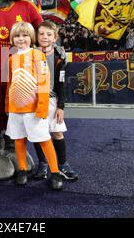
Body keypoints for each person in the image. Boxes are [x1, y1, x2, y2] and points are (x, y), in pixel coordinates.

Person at [5, 22, 63, 190]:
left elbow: (44, 83)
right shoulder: (11, 59)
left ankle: (55, 172)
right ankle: (22, 170)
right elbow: (9, 83)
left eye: (24, 36)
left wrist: (42, 107)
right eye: (17, 36)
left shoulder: (38, 56)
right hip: (16, 108)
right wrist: (8, 106)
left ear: (31, 38)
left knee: (44, 139)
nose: (21, 39)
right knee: (18, 139)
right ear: (12, 39)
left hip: (34, 108)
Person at [32, 21, 78, 181]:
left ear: (55, 37)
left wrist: (61, 106)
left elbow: (62, 84)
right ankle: (43, 164)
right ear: (36, 36)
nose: (45, 37)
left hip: (52, 100)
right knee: (38, 134)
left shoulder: (59, 57)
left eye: (49, 34)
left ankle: (63, 164)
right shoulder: (29, 54)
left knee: (57, 133)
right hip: (34, 100)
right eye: (42, 34)